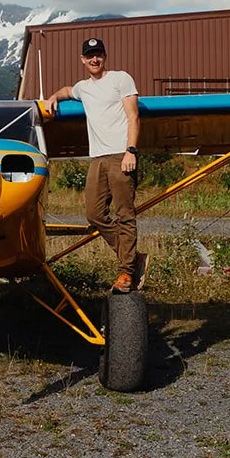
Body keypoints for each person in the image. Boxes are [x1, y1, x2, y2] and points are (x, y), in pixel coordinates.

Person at [45, 37, 141, 292]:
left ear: (105, 57)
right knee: (94, 214)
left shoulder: (121, 79)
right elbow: (68, 90)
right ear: (83, 60)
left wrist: (130, 151)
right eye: (90, 56)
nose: (94, 59)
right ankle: (132, 259)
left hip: (121, 154)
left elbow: (133, 116)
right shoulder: (83, 88)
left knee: (124, 214)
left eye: (98, 54)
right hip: (97, 158)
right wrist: (54, 97)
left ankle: (126, 271)